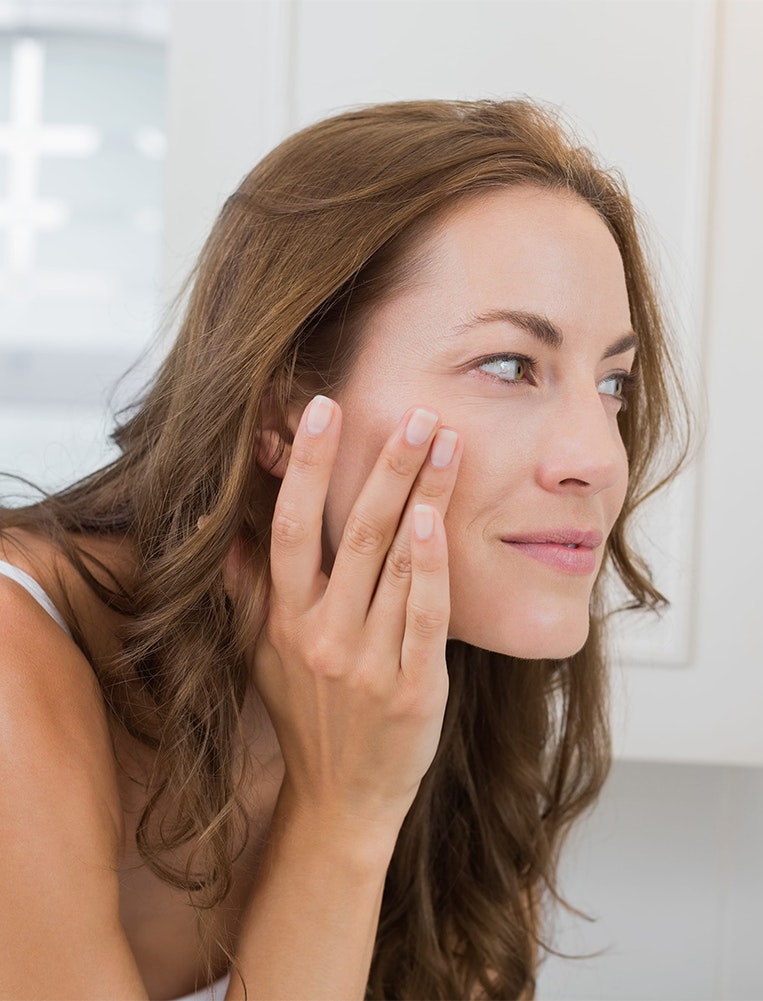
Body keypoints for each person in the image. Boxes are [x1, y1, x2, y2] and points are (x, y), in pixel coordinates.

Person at [0, 99, 689, 1000]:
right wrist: (341, 818)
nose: (599, 459)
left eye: (613, 382)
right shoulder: (16, 666)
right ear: (286, 407)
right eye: (509, 365)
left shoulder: (444, 680)